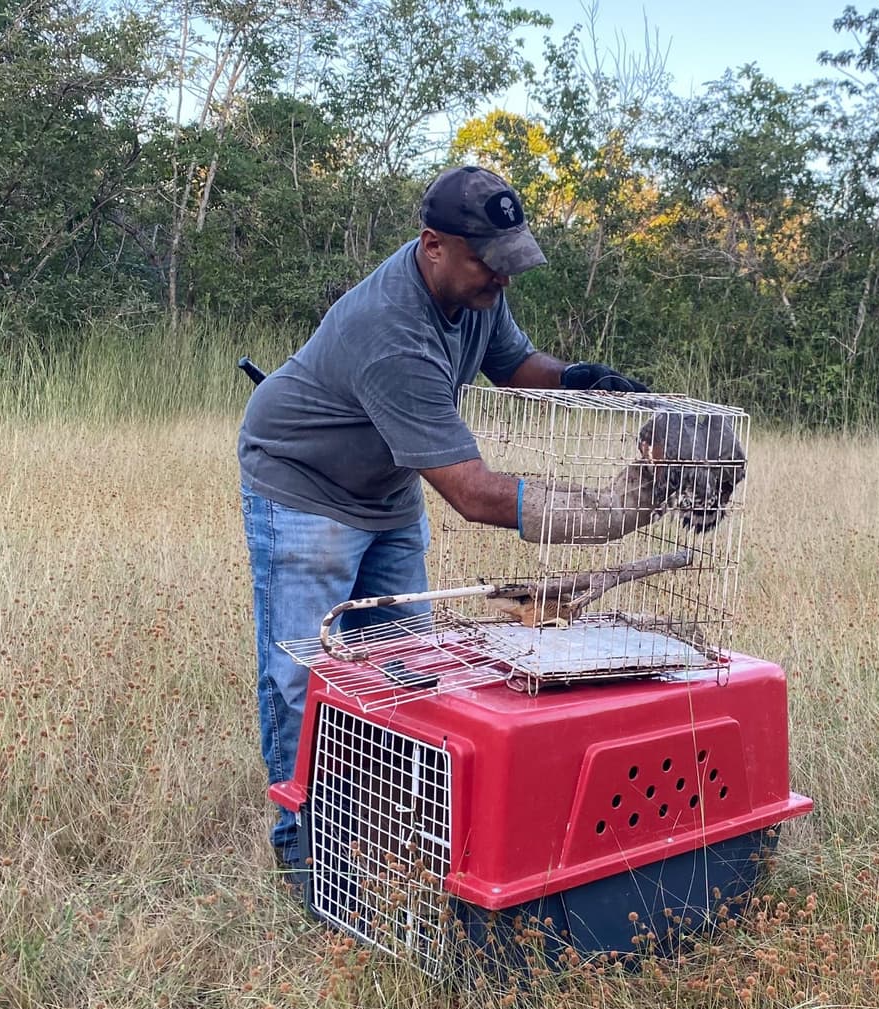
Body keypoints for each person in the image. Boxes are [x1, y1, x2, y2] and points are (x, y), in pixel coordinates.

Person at [236, 165, 652, 888]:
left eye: (508, 261)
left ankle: (389, 811)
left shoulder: (475, 292)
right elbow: (474, 495)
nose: (503, 280)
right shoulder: (390, 332)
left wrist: (583, 378)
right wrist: (614, 512)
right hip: (303, 484)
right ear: (434, 246)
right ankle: (304, 836)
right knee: (306, 666)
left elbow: (513, 363)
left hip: (386, 486)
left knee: (405, 662)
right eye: (490, 264)